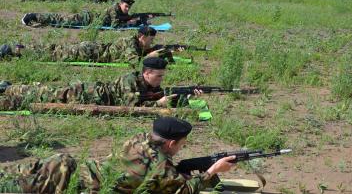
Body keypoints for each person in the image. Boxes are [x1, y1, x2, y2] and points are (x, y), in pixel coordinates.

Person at [0, 117, 235, 193]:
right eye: (181, 144)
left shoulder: (140, 139)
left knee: (6, 174)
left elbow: (161, 162)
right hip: (65, 181)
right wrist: (213, 171)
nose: (182, 147)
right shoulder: (159, 168)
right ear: (171, 143)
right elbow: (184, 190)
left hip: (64, 164)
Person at [0, 57, 198, 111]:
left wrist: (185, 95)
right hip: (82, 94)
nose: (161, 80)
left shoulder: (147, 84)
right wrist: (158, 104)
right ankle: (7, 88)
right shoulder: (129, 79)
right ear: (147, 73)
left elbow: (160, 94)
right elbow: (132, 105)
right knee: (42, 93)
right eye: (159, 76)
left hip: (89, 92)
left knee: (43, 91)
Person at [1, 26, 174, 67]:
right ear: (142, 37)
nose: (150, 43)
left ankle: (21, 48)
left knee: (56, 49)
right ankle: (16, 51)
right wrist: (152, 56)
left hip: (91, 48)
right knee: (56, 54)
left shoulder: (135, 41)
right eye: (149, 40)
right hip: (89, 53)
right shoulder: (131, 43)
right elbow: (134, 62)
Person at [21, 0, 150, 28]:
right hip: (86, 18)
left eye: (128, 7)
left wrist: (137, 20)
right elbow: (115, 25)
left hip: (89, 18)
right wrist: (132, 23)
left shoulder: (121, 11)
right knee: (60, 19)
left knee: (60, 18)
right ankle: (33, 16)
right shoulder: (114, 9)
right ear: (121, 3)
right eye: (126, 6)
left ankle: (36, 17)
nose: (127, 9)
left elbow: (125, 18)